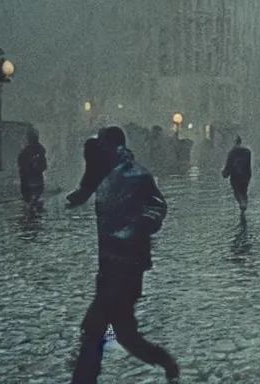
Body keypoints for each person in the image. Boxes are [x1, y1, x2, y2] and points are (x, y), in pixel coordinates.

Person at [70, 127, 179, 383]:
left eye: (103, 145)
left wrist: (136, 228)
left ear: (115, 146)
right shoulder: (104, 175)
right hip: (108, 267)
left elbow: (157, 206)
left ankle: (84, 379)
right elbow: (86, 182)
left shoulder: (137, 175)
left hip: (128, 269)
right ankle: (165, 362)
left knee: (95, 329)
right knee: (123, 334)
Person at [221, 136, 252, 219]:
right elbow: (248, 165)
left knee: (237, 191)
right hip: (245, 176)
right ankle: (243, 205)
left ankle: (242, 203)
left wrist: (225, 173)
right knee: (244, 191)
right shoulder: (247, 151)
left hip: (235, 176)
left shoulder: (232, 152)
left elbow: (228, 165)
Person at [17, 128, 48, 211]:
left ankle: (32, 210)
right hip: (34, 181)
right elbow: (44, 166)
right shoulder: (39, 150)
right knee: (33, 201)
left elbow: (21, 165)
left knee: (30, 202)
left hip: (29, 181)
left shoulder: (27, 151)